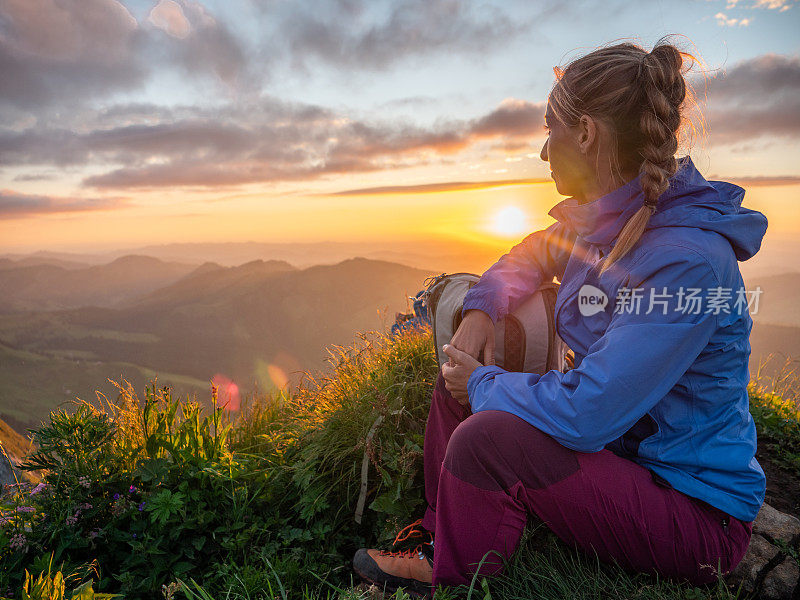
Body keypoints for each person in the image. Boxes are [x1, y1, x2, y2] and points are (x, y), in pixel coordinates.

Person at [352, 38, 768, 598]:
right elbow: (528, 255)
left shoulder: (686, 263)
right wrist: (480, 309)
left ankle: (451, 578)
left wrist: (484, 384)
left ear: (587, 133)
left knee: (486, 431)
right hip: (624, 458)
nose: (545, 151)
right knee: (458, 384)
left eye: (551, 128)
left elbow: (587, 413)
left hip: (691, 515)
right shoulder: (599, 221)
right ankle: (437, 535)